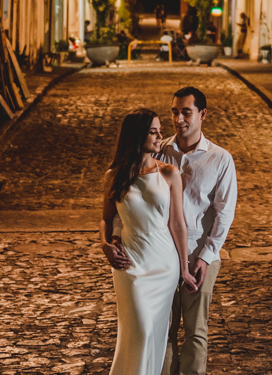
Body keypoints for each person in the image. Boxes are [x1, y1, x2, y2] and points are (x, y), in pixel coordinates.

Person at [101, 109, 199, 375]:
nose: (159, 136)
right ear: (136, 136)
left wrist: (184, 268)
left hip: (163, 264)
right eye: (153, 131)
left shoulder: (169, 173)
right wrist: (105, 244)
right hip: (129, 263)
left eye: (159, 130)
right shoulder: (115, 175)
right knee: (139, 330)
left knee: (154, 333)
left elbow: (177, 223)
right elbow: (106, 219)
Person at [157, 86, 237, 375]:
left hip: (198, 254)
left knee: (195, 331)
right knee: (163, 330)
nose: (179, 119)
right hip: (163, 254)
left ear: (202, 114)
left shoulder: (220, 159)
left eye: (186, 112)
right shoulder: (160, 151)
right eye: (174, 112)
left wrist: (206, 257)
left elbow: (224, 212)